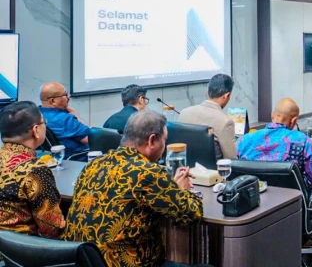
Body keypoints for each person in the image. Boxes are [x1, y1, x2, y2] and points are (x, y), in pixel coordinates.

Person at [64, 110, 203, 267]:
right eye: (164, 140)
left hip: (82, 262)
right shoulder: (149, 173)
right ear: (152, 140)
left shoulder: (93, 165)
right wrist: (183, 191)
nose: (164, 147)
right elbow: (191, 214)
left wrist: (170, 188)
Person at [238, 98, 312, 240]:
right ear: (294, 121)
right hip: (293, 208)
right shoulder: (303, 141)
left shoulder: (245, 140)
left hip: (254, 207)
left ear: (272, 115)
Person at [0, 101, 65, 238]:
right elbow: (51, 228)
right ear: (36, 130)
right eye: (44, 122)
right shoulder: (34, 169)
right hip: (19, 247)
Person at [178, 73, 238, 160]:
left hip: (184, 167)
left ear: (207, 92)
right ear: (227, 96)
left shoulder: (184, 113)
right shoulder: (225, 122)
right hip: (213, 169)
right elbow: (231, 159)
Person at [39, 81, 90, 158]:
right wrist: (76, 116)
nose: (69, 96)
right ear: (53, 101)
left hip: (55, 158)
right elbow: (90, 139)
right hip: (79, 158)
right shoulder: (64, 119)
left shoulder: (36, 114)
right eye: (65, 94)